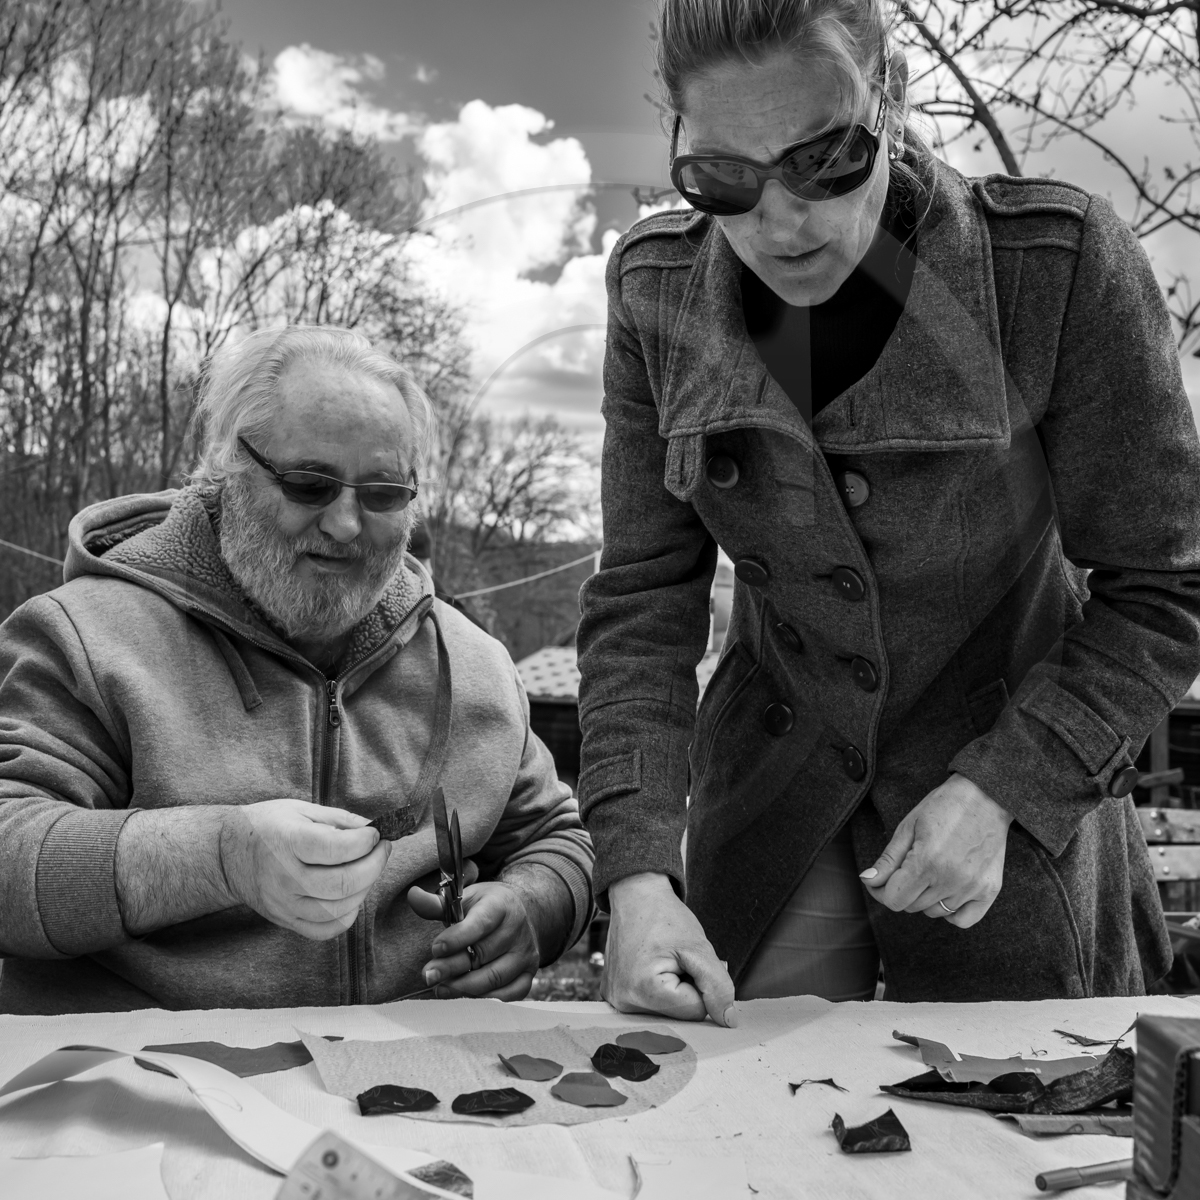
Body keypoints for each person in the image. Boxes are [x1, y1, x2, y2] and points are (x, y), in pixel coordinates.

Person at [576, 0, 1200, 1023]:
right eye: (722, 178)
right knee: (740, 1114)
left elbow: (1165, 591)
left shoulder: (1057, 267)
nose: (781, 224)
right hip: (770, 816)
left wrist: (1007, 786)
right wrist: (637, 872)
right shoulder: (655, 291)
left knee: (1009, 1115)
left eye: (825, 161)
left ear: (891, 99)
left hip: (1011, 822)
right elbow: (643, 604)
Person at [0, 326, 593, 1014]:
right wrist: (220, 857)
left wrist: (534, 907)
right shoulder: (84, 636)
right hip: (143, 1071)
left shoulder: (474, 663)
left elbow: (559, 838)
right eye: (310, 485)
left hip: (410, 1073)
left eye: (382, 493)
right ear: (227, 469)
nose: (345, 524)